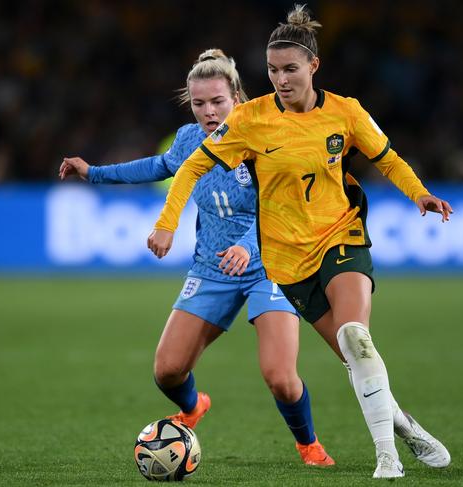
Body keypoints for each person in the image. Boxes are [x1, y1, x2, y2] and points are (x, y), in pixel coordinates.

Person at [147, 7, 454, 479]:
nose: (281, 79)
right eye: (272, 71)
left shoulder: (346, 112)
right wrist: (168, 221)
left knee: (356, 337)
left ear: (314, 65)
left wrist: (420, 193)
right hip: (289, 262)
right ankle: (404, 425)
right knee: (354, 357)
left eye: (290, 69)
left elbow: (387, 158)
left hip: (342, 236)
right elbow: (191, 166)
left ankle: (386, 459)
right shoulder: (250, 120)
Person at [59, 48, 334, 467]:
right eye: (199, 103)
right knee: (167, 371)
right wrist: (93, 172)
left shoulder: (267, 136)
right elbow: (158, 166)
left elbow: (284, 207)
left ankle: (308, 444)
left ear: (237, 97)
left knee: (280, 377)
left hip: (272, 265)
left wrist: (248, 246)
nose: (208, 111)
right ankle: (193, 407)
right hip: (212, 267)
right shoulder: (190, 139)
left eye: (217, 101)